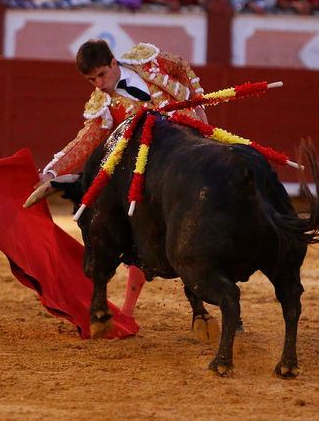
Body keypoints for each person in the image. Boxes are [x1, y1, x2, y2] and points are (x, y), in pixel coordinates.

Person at [35, 39, 208, 316]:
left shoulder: (146, 60)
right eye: (91, 80)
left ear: (114, 63)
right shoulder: (102, 105)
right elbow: (84, 142)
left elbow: (181, 67)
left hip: (195, 140)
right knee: (140, 228)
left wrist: (199, 101)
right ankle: (126, 313)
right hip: (156, 168)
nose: (99, 84)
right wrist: (52, 171)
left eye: (101, 75)